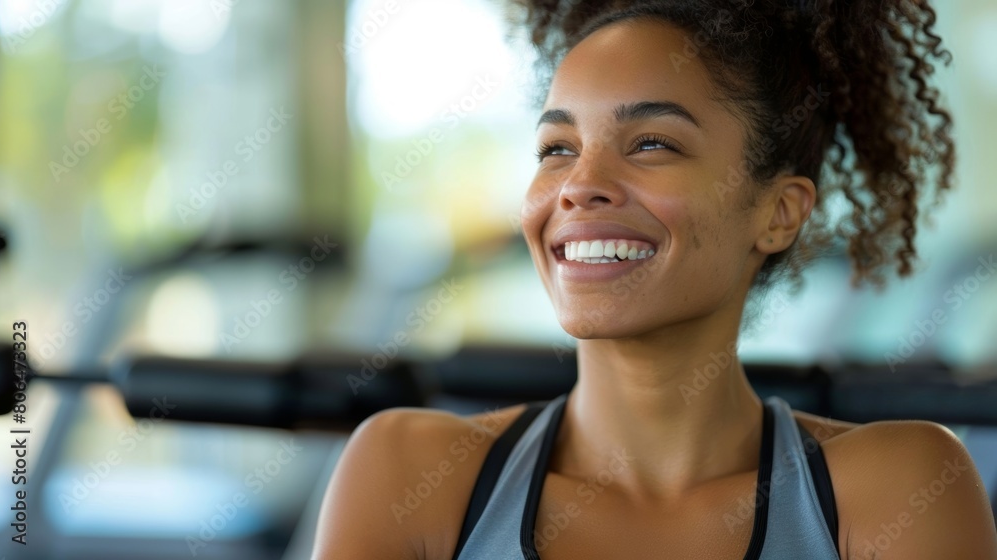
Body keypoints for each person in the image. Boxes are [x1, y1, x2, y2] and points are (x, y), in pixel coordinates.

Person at [312, 1, 997, 558]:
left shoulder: (898, 485)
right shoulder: (407, 472)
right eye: (558, 148)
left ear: (778, 213)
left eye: (652, 144)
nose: (580, 185)